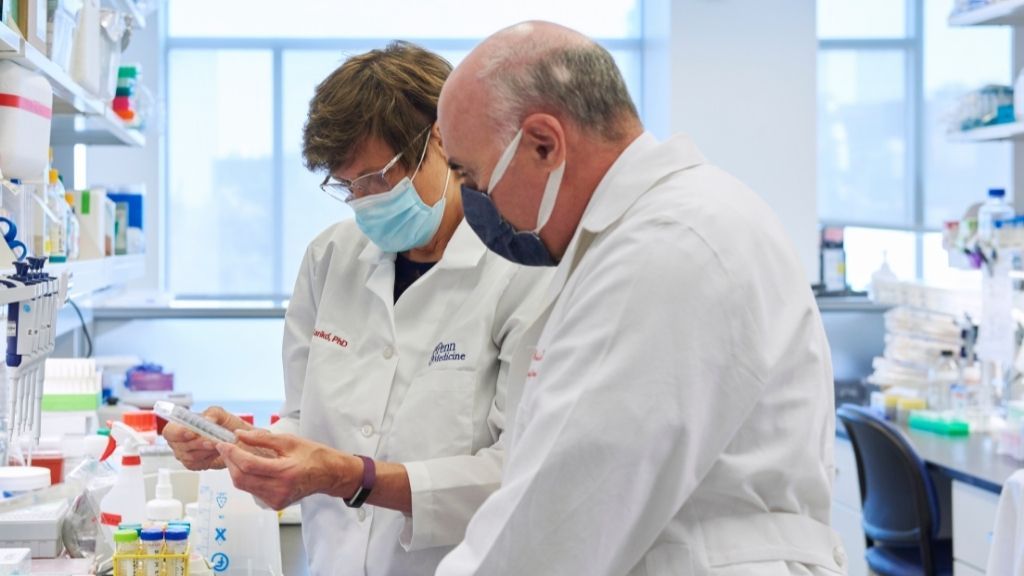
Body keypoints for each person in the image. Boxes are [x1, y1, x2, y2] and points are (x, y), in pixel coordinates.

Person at [433, 22, 845, 576]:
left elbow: (558, 514)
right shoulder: (649, 233)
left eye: (471, 174)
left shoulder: (668, 244)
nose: (471, 202)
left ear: (543, 144)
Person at [162, 41, 552, 576]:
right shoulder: (331, 258)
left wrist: (351, 476)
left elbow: (520, 470)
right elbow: (306, 418)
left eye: (378, 177)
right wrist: (246, 444)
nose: (366, 200)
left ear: (439, 137)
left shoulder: (522, 270)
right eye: (347, 186)